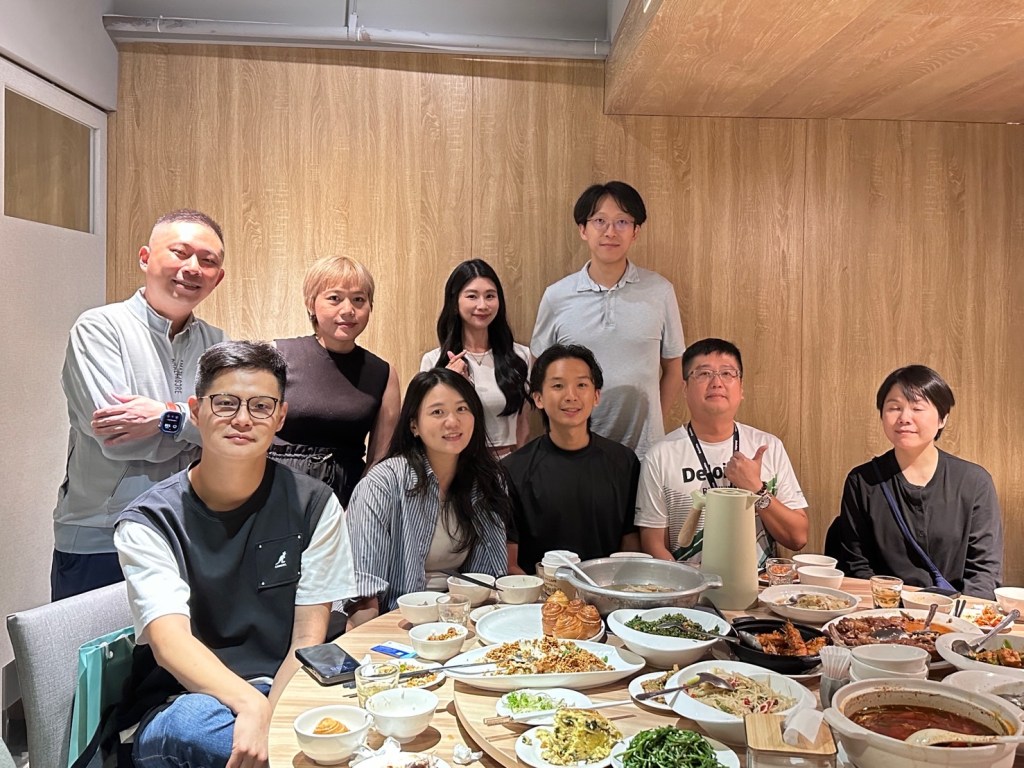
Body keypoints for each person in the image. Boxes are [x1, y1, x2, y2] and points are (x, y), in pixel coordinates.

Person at [114, 341, 357, 768]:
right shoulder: (150, 521)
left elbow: (306, 639)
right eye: (225, 403)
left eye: (261, 406)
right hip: (186, 697)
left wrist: (271, 716)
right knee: (196, 726)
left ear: (280, 416)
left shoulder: (314, 505)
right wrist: (249, 705)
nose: (243, 419)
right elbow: (170, 644)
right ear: (196, 410)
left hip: (283, 686)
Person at [52, 209, 227, 601]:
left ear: (218, 277)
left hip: (185, 533)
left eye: (207, 260)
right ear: (145, 258)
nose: (192, 268)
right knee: (92, 644)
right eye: (180, 252)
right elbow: (118, 438)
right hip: (101, 536)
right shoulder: (99, 328)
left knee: (176, 642)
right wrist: (195, 428)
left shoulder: (218, 344)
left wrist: (165, 417)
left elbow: (229, 434)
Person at [530, 181, 685, 460]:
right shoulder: (557, 296)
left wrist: (653, 422)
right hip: (574, 449)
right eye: (599, 221)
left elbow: (674, 367)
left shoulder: (660, 291)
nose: (610, 232)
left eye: (622, 222)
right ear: (583, 229)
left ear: (635, 231)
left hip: (643, 453)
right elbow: (539, 369)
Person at [346, 368, 510, 627]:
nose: (453, 422)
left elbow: (490, 577)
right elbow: (363, 593)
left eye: (462, 409)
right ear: (414, 425)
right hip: (397, 620)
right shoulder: (383, 484)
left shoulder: (487, 481)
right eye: (437, 412)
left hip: (461, 619)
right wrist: (369, 643)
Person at [636, 338, 808, 566]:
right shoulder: (660, 455)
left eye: (727, 373)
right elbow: (653, 544)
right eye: (704, 374)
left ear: (741, 388)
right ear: (685, 389)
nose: (716, 382)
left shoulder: (768, 446)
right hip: (690, 584)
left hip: (758, 583)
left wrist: (757, 489)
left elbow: (798, 537)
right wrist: (689, 583)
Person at [836, 365, 1002, 598]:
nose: (904, 418)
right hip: (884, 611)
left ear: (942, 418)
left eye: (917, 408)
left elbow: (984, 572)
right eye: (894, 408)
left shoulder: (974, 482)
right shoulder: (862, 481)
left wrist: (957, 613)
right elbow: (856, 565)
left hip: (955, 612)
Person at [271, 255, 400, 506]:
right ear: (311, 303)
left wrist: (360, 507)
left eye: (359, 299)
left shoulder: (383, 373)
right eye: (334, 298)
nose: (348, 310)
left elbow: (379, 459)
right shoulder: (277, 355)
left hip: (346, 498)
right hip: (277, 491)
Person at [504, 344, 640, 574]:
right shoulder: (513, 469)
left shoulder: (624, 462)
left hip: (606, 589)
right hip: (540, 592)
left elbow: (631, 545)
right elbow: (510, 563)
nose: (571, 396)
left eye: (582, 385)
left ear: (596, 396)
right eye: (558, 386)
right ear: (538, 398)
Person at [421, 259, 530, 458]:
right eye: (472, 296)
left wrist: (521, 464)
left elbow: (523, 423)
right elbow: (430, 425)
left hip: (508, 463)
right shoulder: (434, 360)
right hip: (457, 464)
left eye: (490, 296)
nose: (482, 305)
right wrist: (450, 384)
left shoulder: (520, 356)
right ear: (455, 303)